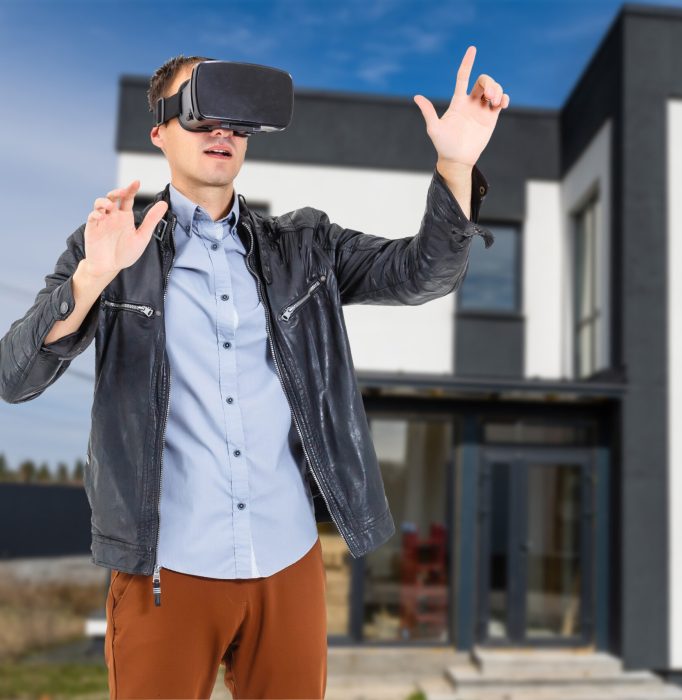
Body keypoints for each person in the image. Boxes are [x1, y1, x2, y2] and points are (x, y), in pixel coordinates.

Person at [0, 49, 507, 699]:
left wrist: (456, 164)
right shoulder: (107, 248)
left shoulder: (305, 247)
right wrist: (91, 279)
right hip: (165, 571)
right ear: (159, 129)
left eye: (237, 119)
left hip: (286, 565)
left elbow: (424, 273)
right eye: (202, 110)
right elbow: (14, 378)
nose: (222, 131)